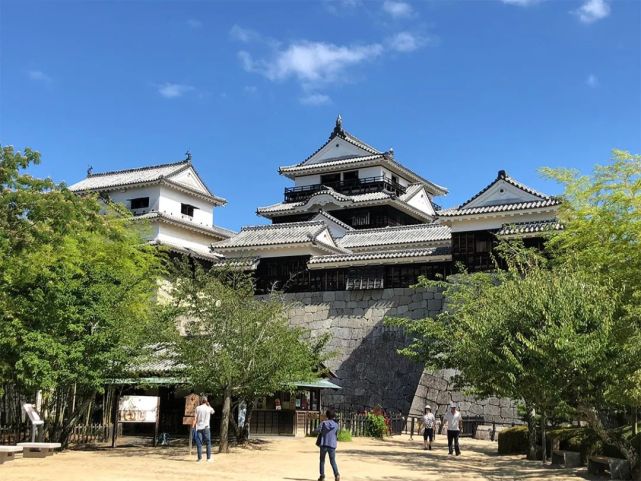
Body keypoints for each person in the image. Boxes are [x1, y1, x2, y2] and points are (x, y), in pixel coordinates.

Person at [317, 409, 340, 481]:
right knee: (332, 461)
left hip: (324, 444)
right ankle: (337, 475)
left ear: (327, 415)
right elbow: (337, 434)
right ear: (333, 416)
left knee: (322, 460)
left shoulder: (323, 423)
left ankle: (322, 476)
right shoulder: (336, 425)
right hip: (332, 445)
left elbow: (317, 430)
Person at [193, 396, 215, 462]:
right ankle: (208, 458)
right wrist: (209, 405)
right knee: (208, 443)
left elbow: (195, 418)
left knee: (199, 443)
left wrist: (193, 427)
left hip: (199, 427)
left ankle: (199, 458)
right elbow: (213, 412)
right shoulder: (208, 408)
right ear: (206, 401)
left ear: (200, 401)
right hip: (206, 427)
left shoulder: (197, 408)